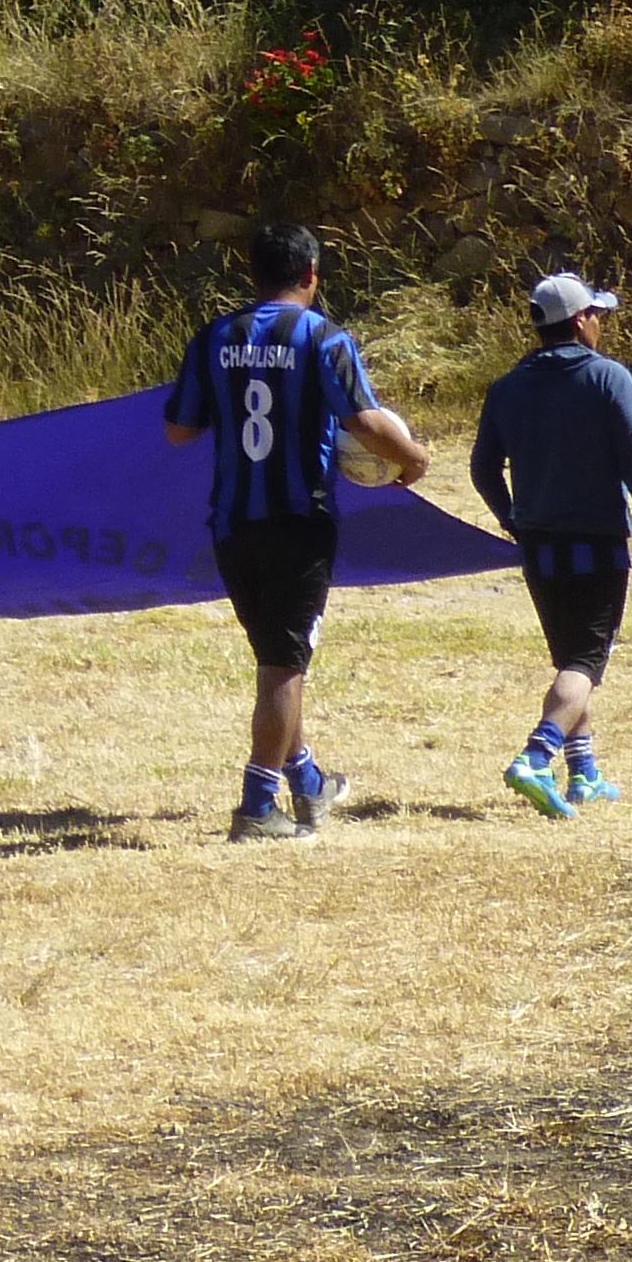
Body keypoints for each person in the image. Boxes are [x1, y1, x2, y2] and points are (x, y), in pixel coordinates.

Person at [161, 223, 429, 844]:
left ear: (253, 275)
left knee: (279, 658)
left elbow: (179, 429)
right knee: (284, 664)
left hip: (232, 524)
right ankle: (257, 805)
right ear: (311, 274)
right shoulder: (324, 338)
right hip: (298, 525)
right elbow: (363, 420)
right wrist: (413, 458)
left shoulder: (215, 337)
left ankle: (306, 782)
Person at [465, 272, 632, 819]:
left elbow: (482, 468)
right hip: (597, 543)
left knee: (568, 661)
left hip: (538, 547)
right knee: (584, 662)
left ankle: (583, 772)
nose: (601, 324)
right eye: (598, 315)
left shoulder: (507, 387)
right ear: (581, 320)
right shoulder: (609, 379)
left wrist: (512, 519)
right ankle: (537, 757)